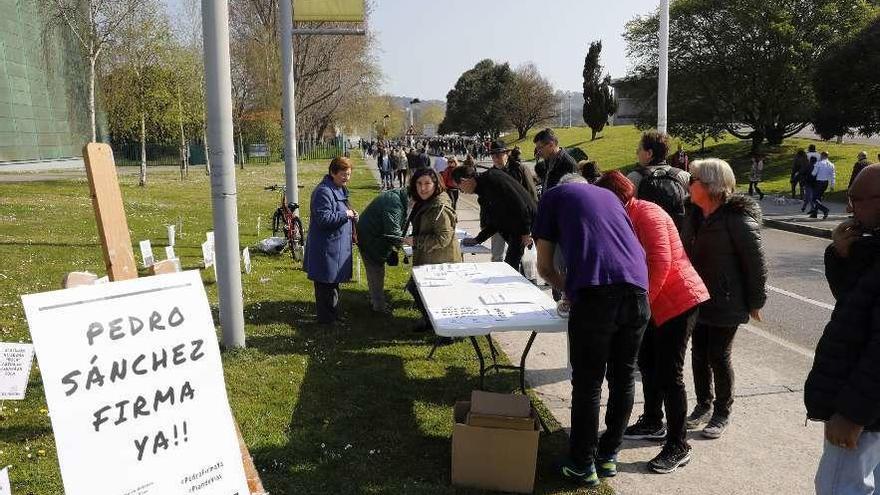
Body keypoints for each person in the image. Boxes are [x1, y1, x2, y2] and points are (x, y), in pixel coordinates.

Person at [532, 179, 650, 487]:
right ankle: (608, 456)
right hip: (638, 293)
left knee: (588, 383)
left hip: (597, 299)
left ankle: (582, 463)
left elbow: (543, 268)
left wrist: (568, 290)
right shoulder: (610, 198)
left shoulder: (552, 197)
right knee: (623, 377)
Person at [596, 171, 710, 474]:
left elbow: (660, 263)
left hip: (678, 300)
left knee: (670, 375)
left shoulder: (648, 213)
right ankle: (652, 420)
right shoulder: (625, 215)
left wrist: (640, 307)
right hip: (652, 304)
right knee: (647, 365)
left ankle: (678, 444)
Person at [805, 165, 880, 495]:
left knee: (840, 488)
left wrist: (852, 413)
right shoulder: (873, 244)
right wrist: (842, 253)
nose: (849, 208)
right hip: (870, 411)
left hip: (863, 413)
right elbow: (855, 302)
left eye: (856, 199)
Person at [681, 158, 768, 439]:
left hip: (727, 300)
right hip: (698, 298)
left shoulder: (737, 219)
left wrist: (756, 302)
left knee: (718, 355)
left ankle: (722, 411)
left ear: (710, 185)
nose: (689, 184)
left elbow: (756, 265)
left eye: (693, 180)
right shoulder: (693, 214)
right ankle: (703, 405)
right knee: (698, 354)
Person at [404, 168, 460, 331]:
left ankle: (447, 332)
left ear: (436, 184)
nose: (423, 188)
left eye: (427, 183)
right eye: (419, 183)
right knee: (417, 289)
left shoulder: (439, 207)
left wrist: (416, 241)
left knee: (436, 295)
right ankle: (431, 321)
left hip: (442, 259)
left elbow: (443, 238)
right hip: (429, 257)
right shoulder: (426, 201)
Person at [303, 157, 357, 325]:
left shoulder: (339, 189)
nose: (346, 178)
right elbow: (323, 219)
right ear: (333, 172)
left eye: (348, 174)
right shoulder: (323, 192)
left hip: (336, 247)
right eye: (343, 174)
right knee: (325, 285)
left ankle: (332, 315)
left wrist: (352, 215)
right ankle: (326, 320)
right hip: (326, 248)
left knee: (332, 284)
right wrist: (346, 215)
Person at [453, 164, 536, 271]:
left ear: (464, 181)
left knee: (519, 267)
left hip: (527, 225)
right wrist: (478, 239)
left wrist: (526, 232)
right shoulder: (483, 190)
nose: (463, 192)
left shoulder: (492, 179)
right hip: (517, 228)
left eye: (460, 189)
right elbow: (495, 222)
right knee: (515, 267)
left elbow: (519, 204)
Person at [356, 187, 408, 314]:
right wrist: (405, 244)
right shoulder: (394, 202)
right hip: (370, 239)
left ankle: (376, 301)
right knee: (376, 271)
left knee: (375, 270)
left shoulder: (398, 198)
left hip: (370, 236)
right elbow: (393, 232)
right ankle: (378, 306)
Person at [627, 130, 690, 230]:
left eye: (639, 149)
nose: (637, 152)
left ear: (649, 153)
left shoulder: (633, 178)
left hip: (646, 236)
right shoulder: (684, 176)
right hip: (677, 235)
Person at [533, 128, 578, 193]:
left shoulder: (568, 164)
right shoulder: (547, 159)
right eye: (537, 148)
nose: (538, 152)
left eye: (540, 148)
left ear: (551, 145)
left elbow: (571, 193)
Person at [810, 151, 836, 219]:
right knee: (819, 198)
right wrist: (832, 185)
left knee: (814, 199)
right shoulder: (831, 164)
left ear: (822, 156)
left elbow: (813, 174)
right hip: (825, 183)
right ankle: (815, 213)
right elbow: (833, 176)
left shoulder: (819, 163)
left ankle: (825, 210)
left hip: (819, 182)